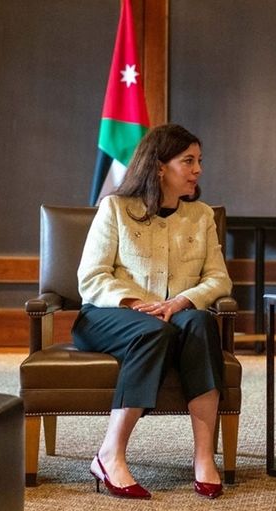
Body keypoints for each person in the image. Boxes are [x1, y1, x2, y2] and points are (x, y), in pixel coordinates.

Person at [73, 124, 232, 500]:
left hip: (174, 315)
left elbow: (219, 279)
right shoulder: (115, 208)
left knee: (200, 321)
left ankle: (204, 457)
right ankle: (109, 454)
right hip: (108, 316)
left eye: (199, 161)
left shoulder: (201, 216)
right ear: (160, 166)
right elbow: (91, 277)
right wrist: (135, 304)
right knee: (153, 330)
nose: (198, 170)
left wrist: (181, 302)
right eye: (188, 161)